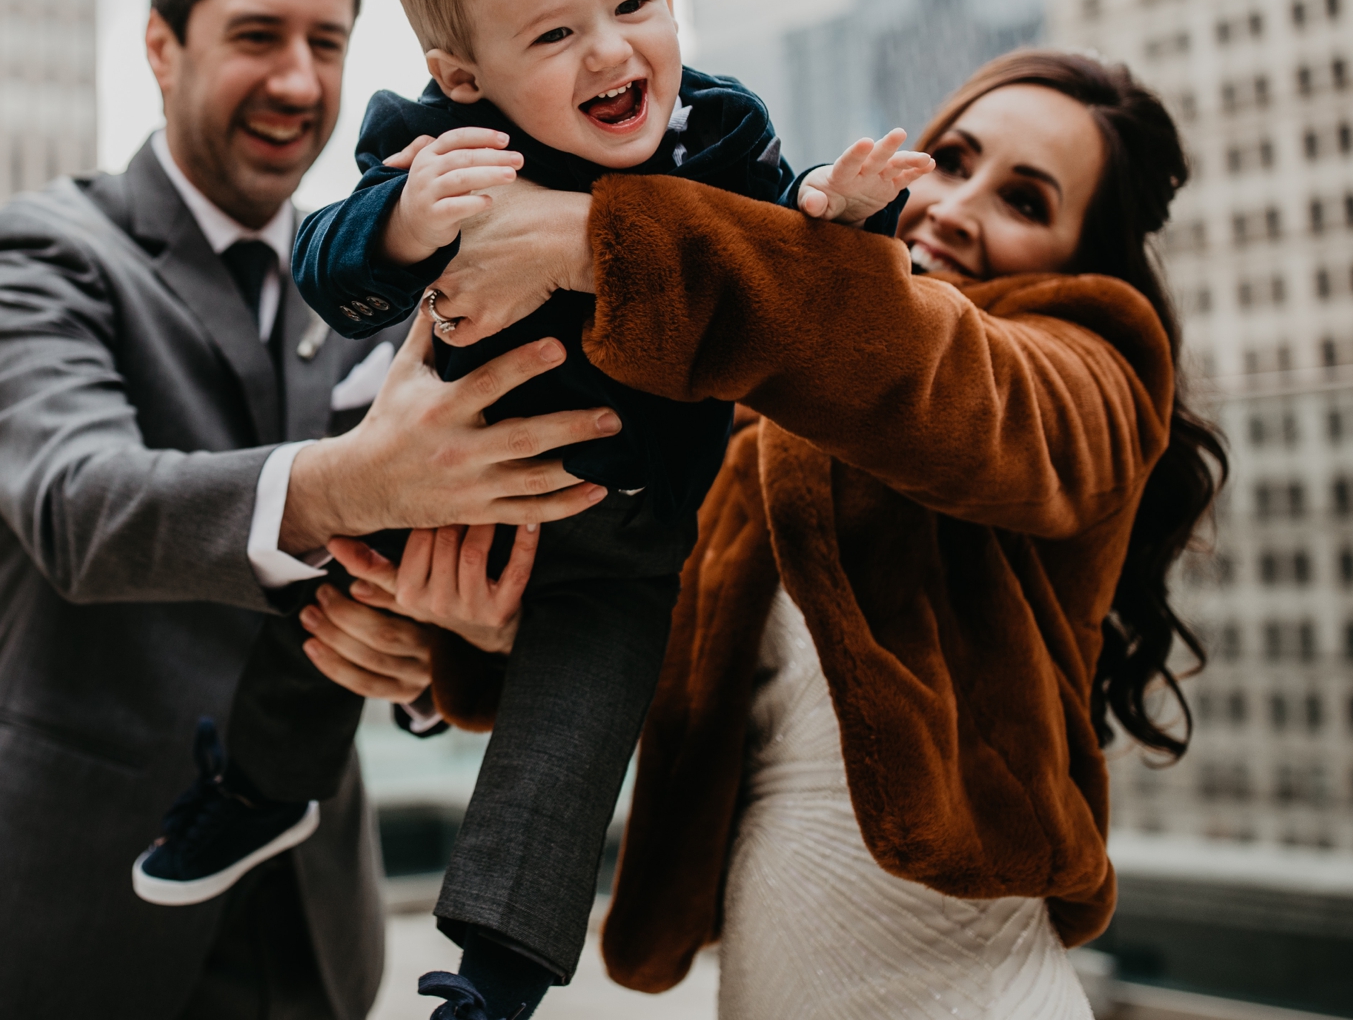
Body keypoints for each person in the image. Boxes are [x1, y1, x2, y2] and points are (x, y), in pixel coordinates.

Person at [132, 0, 929, 1020]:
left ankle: (494, 984)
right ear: (462, 75)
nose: (610, 50)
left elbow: (788, 282)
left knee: (567, 741)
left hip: (631, 524)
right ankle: (258, 786)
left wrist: (843, 212)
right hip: (448, 481)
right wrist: (400, 226)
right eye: (552, 36)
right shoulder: (438, 145)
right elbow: (326, 266)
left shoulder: (718, 130)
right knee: (326, 605)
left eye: (632, 3)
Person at [0, 0, 624, 1020]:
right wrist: (357, 482)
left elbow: (425, 572)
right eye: (257, 35)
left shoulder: (386, 271)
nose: (298, 80)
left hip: (310, 934)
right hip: (56, 910)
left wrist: (446, 649)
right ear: (160, 45)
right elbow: (77, 507)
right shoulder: (46, 250)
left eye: (327, 41)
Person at [320, 50, 1226, 1018]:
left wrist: (602, 240)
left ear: (1082, 258)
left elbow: (921, 370)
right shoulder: (770, 414)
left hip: (970, 988)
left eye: (1026, 201)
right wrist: (489, 636)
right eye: (951, 159)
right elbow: (661, 659)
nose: (957, 207)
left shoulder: (1090, 373)